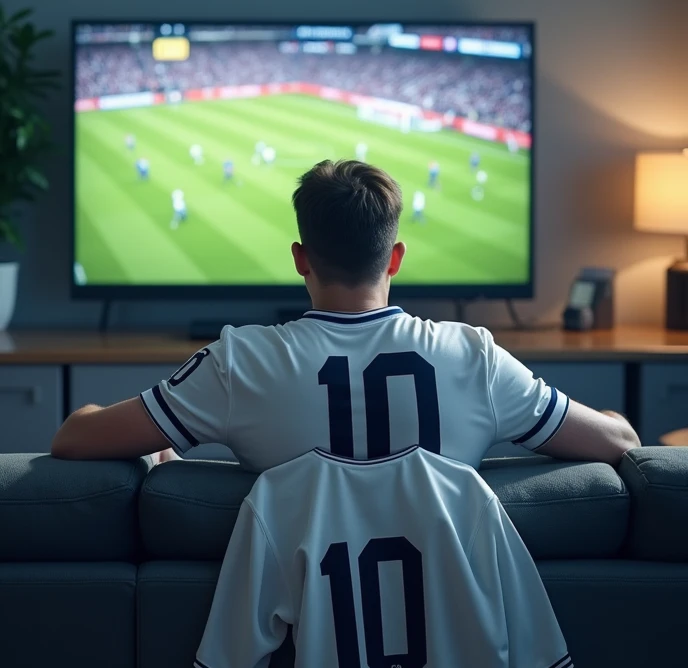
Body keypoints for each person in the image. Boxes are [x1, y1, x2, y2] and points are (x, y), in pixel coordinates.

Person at [51, 159, 640, 469]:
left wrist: (158, 456)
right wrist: (610, 413)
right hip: (457, 653)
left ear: (299, 259)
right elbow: (620, 442)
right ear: (398, 257)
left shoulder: (240, 364)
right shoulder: (476, 358)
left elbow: (74, 440)